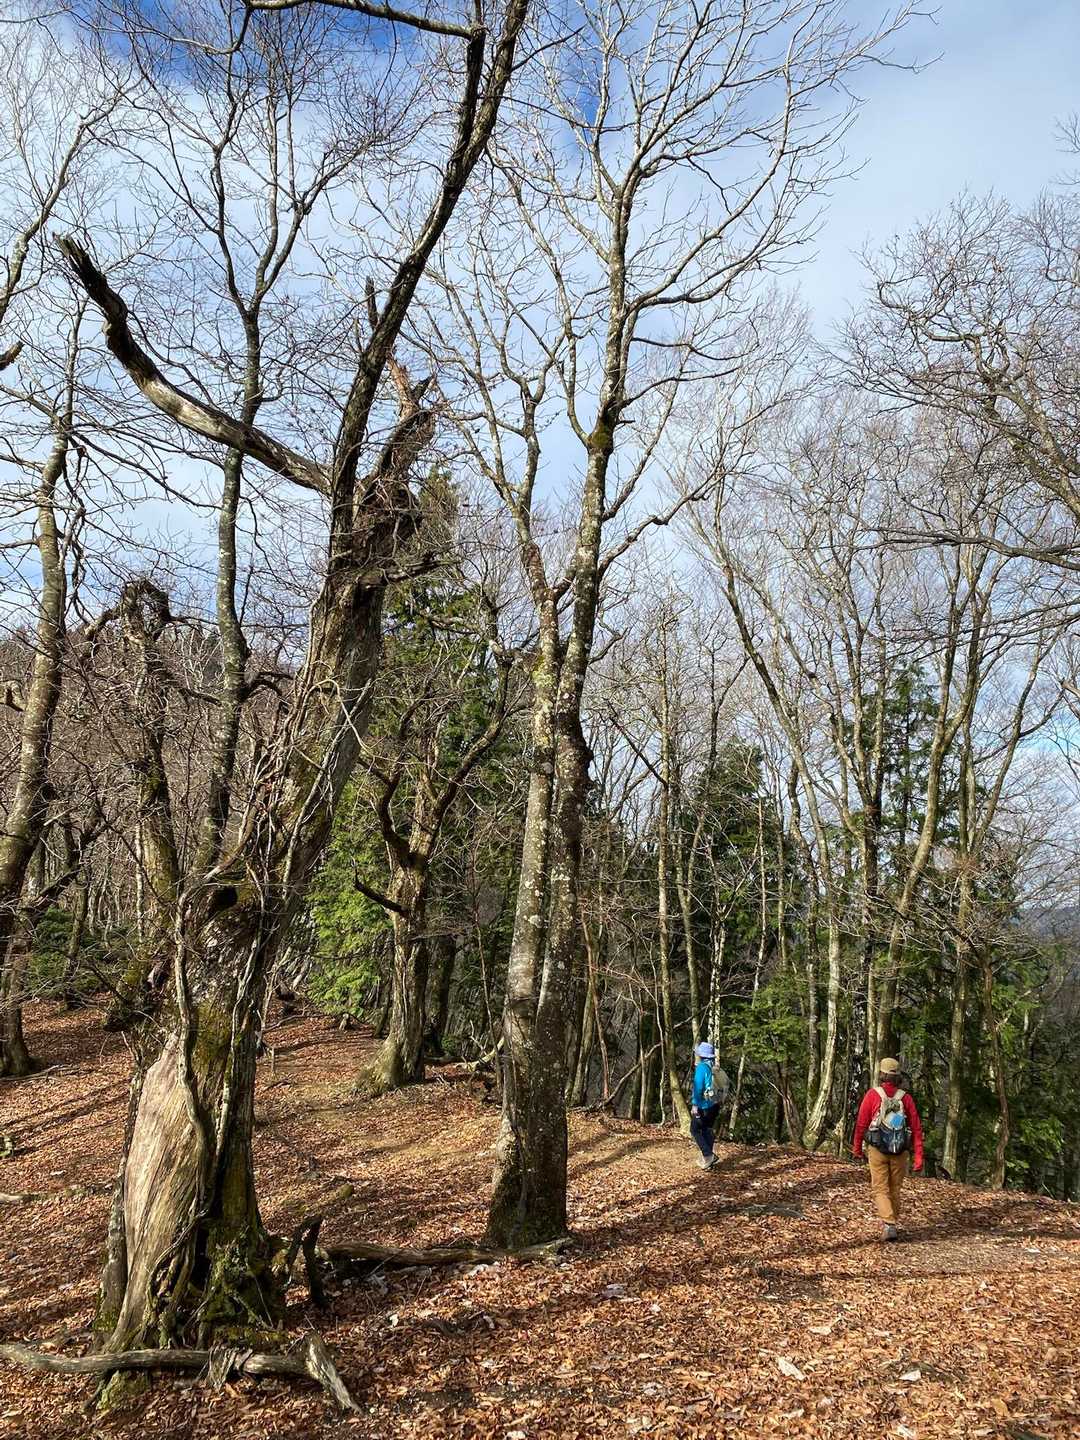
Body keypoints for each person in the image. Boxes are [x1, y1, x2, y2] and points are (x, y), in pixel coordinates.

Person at [852, 1056, 925, 1241]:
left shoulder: (872, 1095)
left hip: (877, 1149)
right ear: (898, 1076)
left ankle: (889, 1224)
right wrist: (918, 1157)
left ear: (881, 1074)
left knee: (880, 1188)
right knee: (895, 1188)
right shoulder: (905, 1098)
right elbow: (916, 1128)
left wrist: (857, 1148)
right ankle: (891, 1222)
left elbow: (861, 1124)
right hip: (900, 1151)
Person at [689, 1041, 727, 1171]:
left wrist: (695, 1104)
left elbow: (698, 1088)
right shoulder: (715, 1068)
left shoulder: (701, 1068)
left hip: (704, 1105)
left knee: (694, 1129)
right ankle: (708, 1162)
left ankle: (708, 1155)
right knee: (706, 1129)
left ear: (701, 1055)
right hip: (715, 1105)